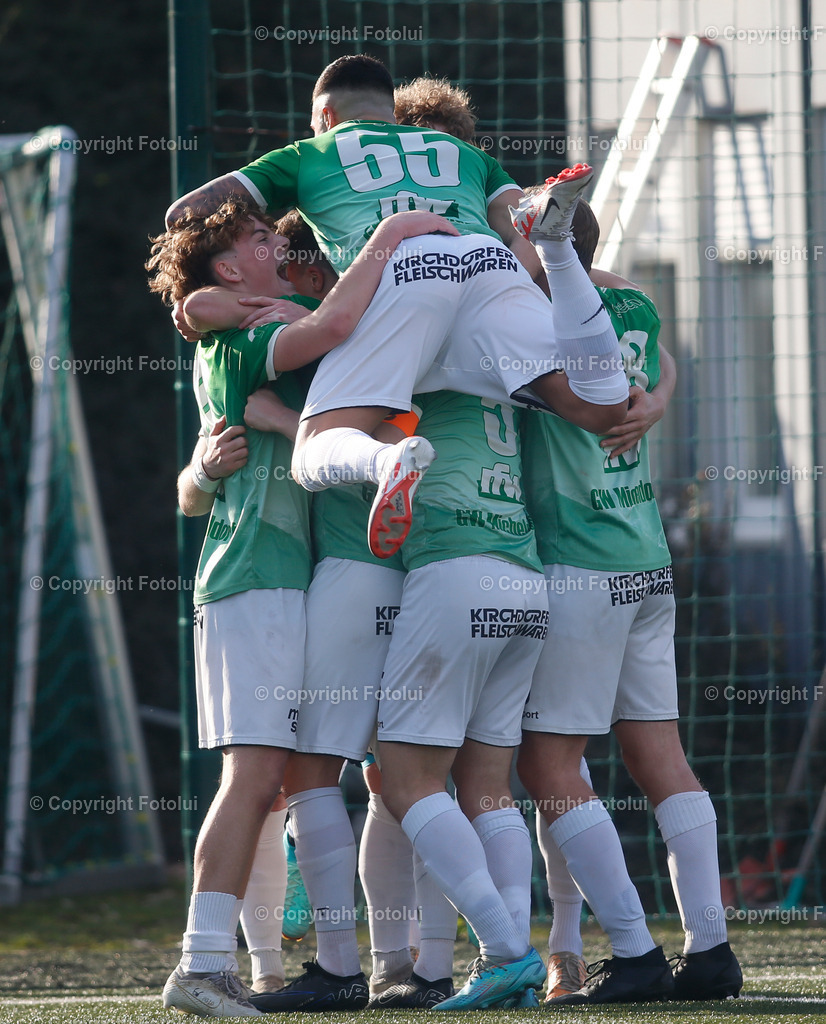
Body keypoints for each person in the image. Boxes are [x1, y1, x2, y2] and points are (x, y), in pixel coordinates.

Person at [146, 201, 456, 1017]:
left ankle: (313, 964)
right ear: (226, 269)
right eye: (256, 242)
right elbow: (192, 484)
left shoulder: (246, 325)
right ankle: (208, 964)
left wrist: (271, 399)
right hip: (252, 577)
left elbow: (290, 335)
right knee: (257, 777)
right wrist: (394, 234)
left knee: (284, 779)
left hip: (294, 576)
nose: (273, 245)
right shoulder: (238, 335)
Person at [165, 54, 630, 559]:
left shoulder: (308, 152)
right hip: (486, 259)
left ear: (326, 117)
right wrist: (525, 264)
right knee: (601, 409)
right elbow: (517, 217)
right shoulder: (460, 150)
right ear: (391, 110)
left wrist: (210, 283)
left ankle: (388, 462)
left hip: (403, 269)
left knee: (314, 449)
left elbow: (183, 213)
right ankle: (559, 251)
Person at [516, 196, 742, 1004]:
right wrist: (662, 393)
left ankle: (637, 951)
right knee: (662, 759)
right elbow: (662, 358)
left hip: (579, 562)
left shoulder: (534, 317)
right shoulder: (632, 302)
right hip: (646, 557)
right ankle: (711, 951)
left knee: (548, 763)